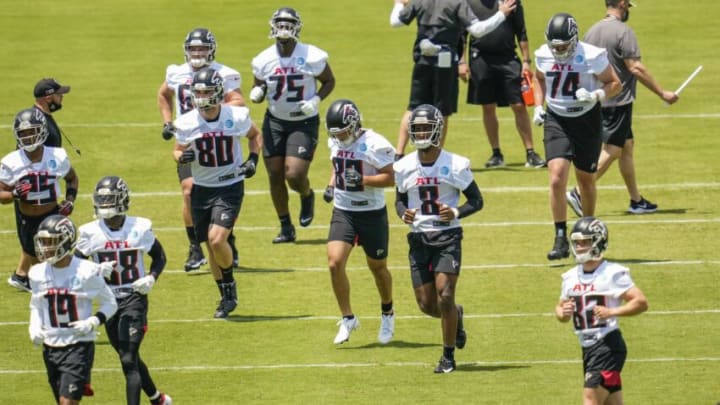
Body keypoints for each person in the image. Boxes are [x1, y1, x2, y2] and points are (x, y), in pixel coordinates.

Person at [565, 0, 679, 217]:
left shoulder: (592, 31)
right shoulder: (623, 32)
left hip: (597, 99)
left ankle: (636, 201)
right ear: (622, 4)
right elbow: (635, 68)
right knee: (613, 149)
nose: (628, 10)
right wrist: (662, 93)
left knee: (626, 145)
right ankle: (579, 192)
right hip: (617, 102)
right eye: (628, 6)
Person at [393, 104, 484, 373]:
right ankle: (457, 316)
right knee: (427, 304)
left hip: (447, 236)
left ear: (437, 129)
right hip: (419, 238)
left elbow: (477, 201)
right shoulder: (404, 166)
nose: (420, 133)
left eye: (425, 128)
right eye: (416, 129)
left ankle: (447, 356)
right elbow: (399, 200)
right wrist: (403, 214)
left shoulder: (455, 164)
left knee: (445, 294)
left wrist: (455, 211)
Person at [173, 67, 262, 318]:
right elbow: (177, 150)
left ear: (218, 92)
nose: (201, 96)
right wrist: (183, 157)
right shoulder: (187, 121)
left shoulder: (236, 115)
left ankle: (230, 283)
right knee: (210, 247)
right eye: (198, 92)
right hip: (203, 188)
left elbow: (255, 136)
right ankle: (225, 295)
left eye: (207, 91)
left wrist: (253, 160)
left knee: (216, 239)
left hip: (230, 185)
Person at [75, 176, 172, 405]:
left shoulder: (139, 227)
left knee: (128, 359)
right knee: (129, 357)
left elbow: (159, 257)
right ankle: (157, 399)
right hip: (108, 303)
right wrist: (96, 269)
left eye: (109, 200)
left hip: (134, 299)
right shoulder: (90, 232)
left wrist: (151, 277)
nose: (105, 205)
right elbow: (75, 267)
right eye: (102, 200)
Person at [532, 13, 621, 260]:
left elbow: (615, 83)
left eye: (563, 46)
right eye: (555, 46)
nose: (559, 50)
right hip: (557, 118)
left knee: (585, 179)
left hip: (586, 120)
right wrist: (538, 105)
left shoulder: (592, 55)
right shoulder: (543, 54)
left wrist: (596, 96)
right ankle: (560, 236)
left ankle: (587, 231)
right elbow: (538, 79)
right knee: (557, 177)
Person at [157, 27, 243, 271]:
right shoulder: (176, 73)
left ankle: (226, 239)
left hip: (216, 138)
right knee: (188, 191)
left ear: (211, 50)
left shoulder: (225, 74)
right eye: (193, 48)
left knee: (221, 189)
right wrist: (167, 121)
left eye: (202, 48)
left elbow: (238, 101)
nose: (197, 52)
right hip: (188, 138)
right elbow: (163, 94)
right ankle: (195, 247)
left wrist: (214, 107)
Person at [249, 7, 336, 243]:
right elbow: (261, 84)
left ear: (297, 27)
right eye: (280, 23)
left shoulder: (311, 55)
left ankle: (306, 195)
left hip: (303, 121)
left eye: (288, 24)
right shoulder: (263, 59)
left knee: (294, 175)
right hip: (275, 121)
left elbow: (329, 81)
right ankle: (286, 226)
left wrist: (316, 99)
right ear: (272, 26)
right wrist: (258, 91)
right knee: (275, 175)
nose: (284, 28)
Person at [388, 0, 517, 158]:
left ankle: (399, 154)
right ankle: (436, 156)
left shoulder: (420, 1)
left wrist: (399, 3)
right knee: (442, 111)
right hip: (445, 64)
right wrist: (501, 14)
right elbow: (477, 30)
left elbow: (395, 22)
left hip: (422, 61)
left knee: (413, 107)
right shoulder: (457, 3)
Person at [322, 99, 396, 345]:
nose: (340, 137)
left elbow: (392, 177)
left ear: (354, 124)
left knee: (377, 267)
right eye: (336, 133)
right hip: (343, 210)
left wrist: (363, 179)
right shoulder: (334, 141)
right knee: (334, 263)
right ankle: (348, 317)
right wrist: (331, 185)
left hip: (371, 211)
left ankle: (387, 312)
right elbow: (337, 163)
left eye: (343, 132)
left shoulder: (375, 144)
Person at [555, 216, 648, 404]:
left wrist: (612, 312)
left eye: (586, 242)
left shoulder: (612, 273)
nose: (580, 247)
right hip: (588, 348)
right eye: (577, 242)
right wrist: (562, 313)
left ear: (599, 241)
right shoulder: (570, 277)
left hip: (606, 345)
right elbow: (560, 307)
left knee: (590, 399)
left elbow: (640, 301)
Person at [28, 215, 118, 405]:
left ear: (66, 240)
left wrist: (92, 321)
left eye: (50, 242)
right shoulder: (36, 273)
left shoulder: (86, 271)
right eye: (42, 242)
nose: (45, 248)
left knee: (67, 403)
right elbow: (36, 304)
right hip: (51, 346)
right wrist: (34, 327)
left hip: (78, 346)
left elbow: (110, 303)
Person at [460, 0, 545, 168]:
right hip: (480, 59)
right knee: (488, 106)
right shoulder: (469, 3)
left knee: (519, 105)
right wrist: (462, 62)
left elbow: (521, 31)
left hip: (508, 58)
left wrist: (526, 61)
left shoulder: (510, 1)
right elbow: (462, 34)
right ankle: (496, 153)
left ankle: (530, 152)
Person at [1, 108, 78, 292]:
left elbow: (72, 179)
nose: (28, 137)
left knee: (57, 258)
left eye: (31, 131)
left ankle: (59, 291)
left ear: (42, 130)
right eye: (23, 133)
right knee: (38, 265)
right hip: (27, 218)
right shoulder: (11, 161)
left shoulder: (57, 156)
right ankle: (44, 293)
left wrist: (70, 200)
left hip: (52, 216)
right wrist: (14, 194)